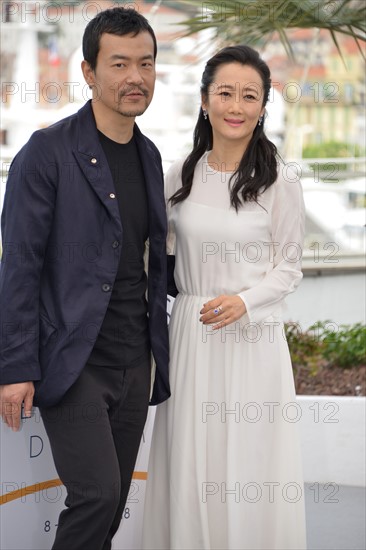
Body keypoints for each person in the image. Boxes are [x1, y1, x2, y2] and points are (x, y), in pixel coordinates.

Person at [0, 7, 169, 550]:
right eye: (119, 63)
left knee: (112, 506)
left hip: (132, 360)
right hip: (72, 360)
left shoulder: (149, 155)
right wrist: (15, 366)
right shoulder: (46, 153)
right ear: (90, 73)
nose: (134, 77)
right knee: (96, 495)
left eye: (145, 63)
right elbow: (19, 265)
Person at [142, 45, 307, 550]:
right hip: (191, 332)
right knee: (191, 455)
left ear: (262, 107)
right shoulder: (180, 176)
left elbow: (290, 267)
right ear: (205, 100)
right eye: (226, 93)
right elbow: (157, 256)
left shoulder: (280, 180)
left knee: (250, 458)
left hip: (252, 337)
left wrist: (246, 300)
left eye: (249, 96)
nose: (237, 105)